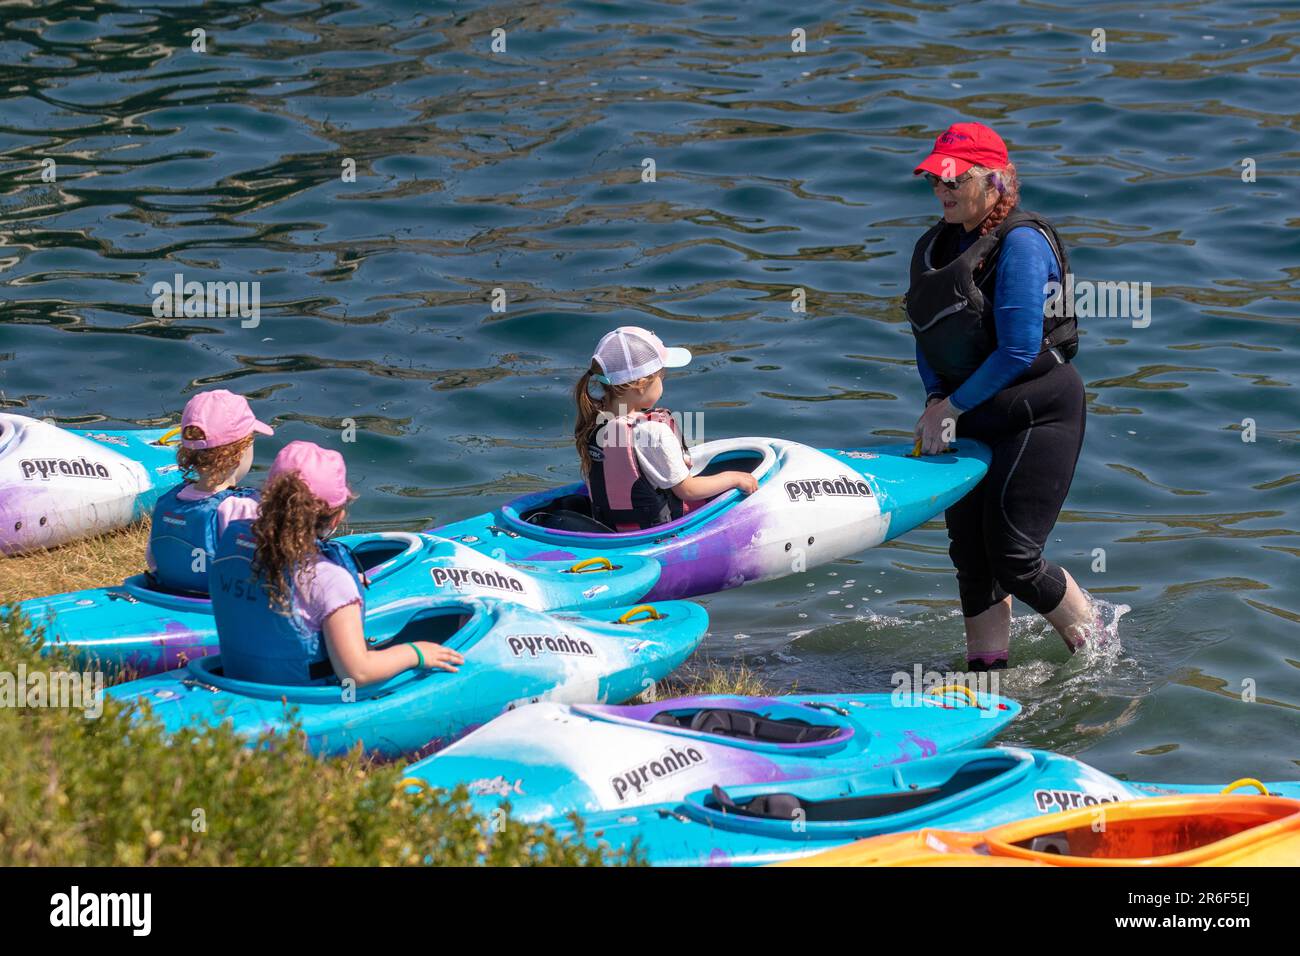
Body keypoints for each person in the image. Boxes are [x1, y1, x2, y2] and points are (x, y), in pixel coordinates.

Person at [905, 121, 1095, 670]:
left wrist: (950, 408)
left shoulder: (1021, 243)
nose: (941, 191)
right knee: (971, 558)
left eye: (953, 180)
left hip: (1038, 411)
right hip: (965, 413)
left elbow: (1017, 350)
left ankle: (1098, 649)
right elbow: (927, 333)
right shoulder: (938, 244)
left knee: (1014, 559)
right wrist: (935, 398)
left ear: (995, 183)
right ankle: (986, 675)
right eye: (934, 181)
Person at [210, 441, 463, 687]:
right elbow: (357, 673)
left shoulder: (231, 539)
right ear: (337, 517)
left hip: (236, 678)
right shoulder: (331, 581)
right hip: (300, 697)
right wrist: (415, 653)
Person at [573, 326, 757, 531]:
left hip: (610, 529)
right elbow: (688, 490)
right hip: (652, 532)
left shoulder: (593, 424)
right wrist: (734, 478)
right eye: (662, 376)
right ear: (641, 385)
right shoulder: (652, 432)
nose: (663, 382)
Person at [146, 389, 272, 594]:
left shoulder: (167, 501)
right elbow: (261, 569)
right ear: (240, 451)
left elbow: (153, 560)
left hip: (167, 591)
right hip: (218, 603)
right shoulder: (243, 507)